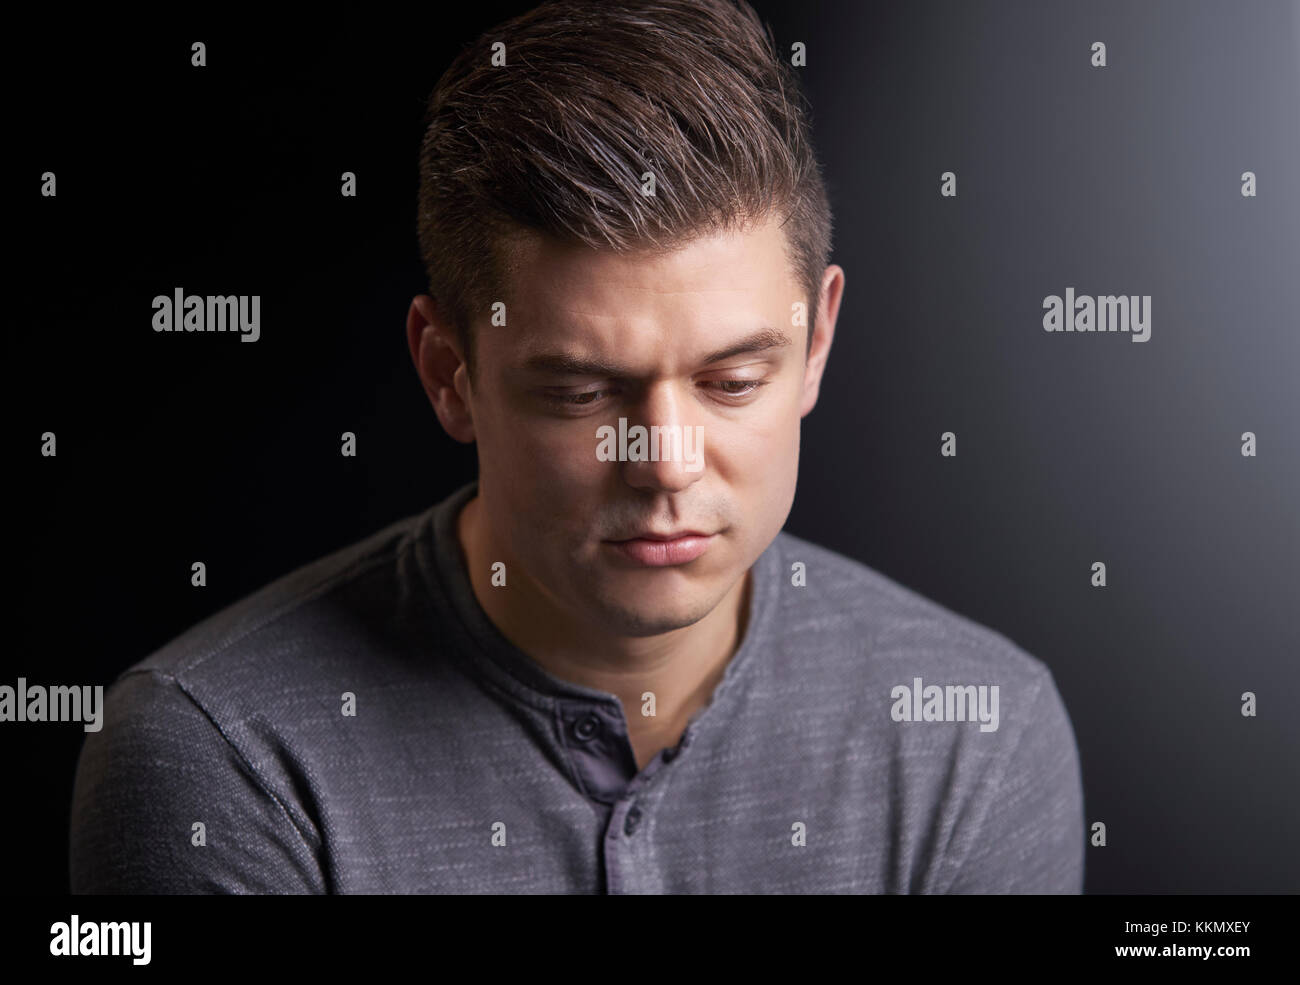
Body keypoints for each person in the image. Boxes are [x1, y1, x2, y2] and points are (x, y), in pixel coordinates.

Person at [70, 0, 1084, 893]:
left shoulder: (976, 736)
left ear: (817, 344)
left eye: (733, 381)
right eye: (581, 391)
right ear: (447, 371)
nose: (666, 462)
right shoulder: (219, 757)